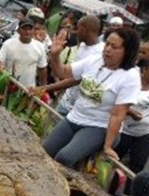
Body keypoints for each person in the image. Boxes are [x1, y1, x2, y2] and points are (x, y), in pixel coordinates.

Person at [41, 28, 141, 167]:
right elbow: (62, 72)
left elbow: (118, 115)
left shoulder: (130, 76)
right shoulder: (95, 61)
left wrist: (107, 146)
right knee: (45, 151)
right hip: (74, 118)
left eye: (114, 46)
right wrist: (55, 55)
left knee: (64, 158)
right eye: (107, 44)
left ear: (127, 51)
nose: (107, 49)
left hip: (98, 127)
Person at [114, 58, 149, 174]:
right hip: (124, 129)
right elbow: (117, 102)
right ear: (144, 70)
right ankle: (110, 189)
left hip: (146, 132)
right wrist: (131, 113)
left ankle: (128, 191)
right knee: (115, 161)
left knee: (137, 166)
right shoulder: (131, 84)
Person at [53, 15, 105, 115]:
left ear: (86, 29)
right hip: (66, 102)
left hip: (81, 110)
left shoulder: (100, 53)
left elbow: (77, 80)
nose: (76, 32)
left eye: (78, 28)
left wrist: (47, 87)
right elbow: (66, 73)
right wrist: (54, 55)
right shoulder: (82, 46)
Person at [0, 17, 48, 89]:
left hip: (28, 90)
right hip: (8, 87)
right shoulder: (8, 43)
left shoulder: (40, 47)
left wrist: (43, 88)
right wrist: (0, 65)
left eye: (30, 29)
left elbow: (42, 69)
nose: (27, 31)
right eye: (24, 29)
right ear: (18, 30)